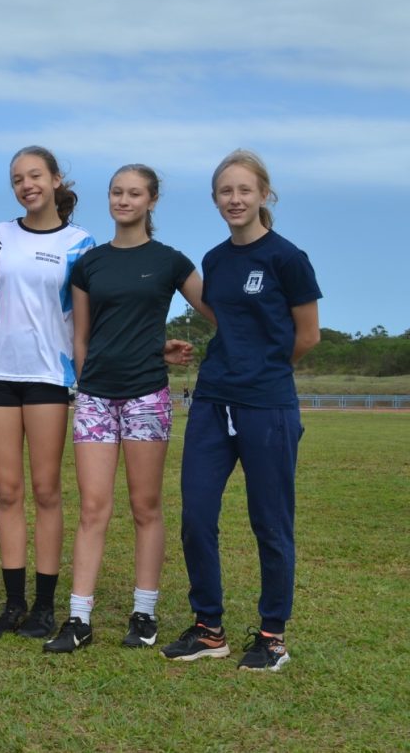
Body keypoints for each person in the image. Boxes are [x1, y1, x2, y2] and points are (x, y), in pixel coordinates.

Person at [162, 149, 320, 671]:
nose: (235, 199)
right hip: (211, 401)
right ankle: (209, 629)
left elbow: (308, 335)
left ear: (263, 195)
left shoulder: (287, 257)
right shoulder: (215, 259)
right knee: (197, 516)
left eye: (244, 190)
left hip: (266, 405)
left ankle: (272, 635)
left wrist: (264, 371)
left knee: (270, 523)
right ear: (215, 199)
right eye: (225, 191)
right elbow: (224, 320)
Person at [43, 164, 211, 653]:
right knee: (93, 508)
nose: (124, 200)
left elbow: (218, 309)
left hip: (147, 397)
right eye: (117, 192)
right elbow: (83, 337)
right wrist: (87, 382)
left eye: (134, 193)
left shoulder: (170, 261)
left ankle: (145, 613)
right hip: (95, 396)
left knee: (145, 506)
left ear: (152, 201)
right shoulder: (90, 264)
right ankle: (78, 619)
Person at [0, 146, 95, 639]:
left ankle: (45, 607)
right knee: (8, 493)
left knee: (46, 492)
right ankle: (13, 604)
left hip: (50, 376)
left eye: (35, 176)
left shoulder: (82, 243)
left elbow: (95, 318)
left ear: (54, 179)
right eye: (17, 179)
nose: (27, 185)